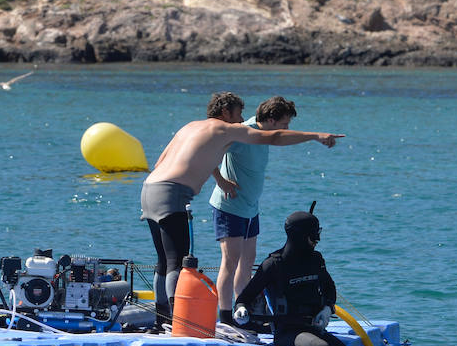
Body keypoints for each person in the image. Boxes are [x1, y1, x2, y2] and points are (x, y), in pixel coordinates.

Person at [140, 92, 342, 326]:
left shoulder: (190, 127)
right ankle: (178, 323)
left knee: (164, 262)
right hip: (173, 194)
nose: (242, 118)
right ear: (226, 113)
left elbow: (159, 163)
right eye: (238, 113)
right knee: (177, 261)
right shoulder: (228, 130)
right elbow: (274, 137)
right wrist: (316, 135)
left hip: (150, 188)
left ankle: (161, 319)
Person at [233, 210, 367, 346]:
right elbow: (244, 298)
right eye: (314, 236)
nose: (317, 240)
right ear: (300, 236)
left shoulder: (316, 259)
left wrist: (327, 308)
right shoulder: (273, 264)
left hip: (314, 328)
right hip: (287, 332)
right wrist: (241, 308)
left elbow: (329, 288)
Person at [207, 96, 301, 325]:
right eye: (284, 124)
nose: (287, 130)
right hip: (230, 205)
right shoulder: (242, 133)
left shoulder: (263, 136)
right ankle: (226, 315)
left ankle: (242, 309)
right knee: (230, 262)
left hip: (250, 207)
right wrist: (220, 180)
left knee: (248, 261)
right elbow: (208, 151)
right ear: (271, 120)